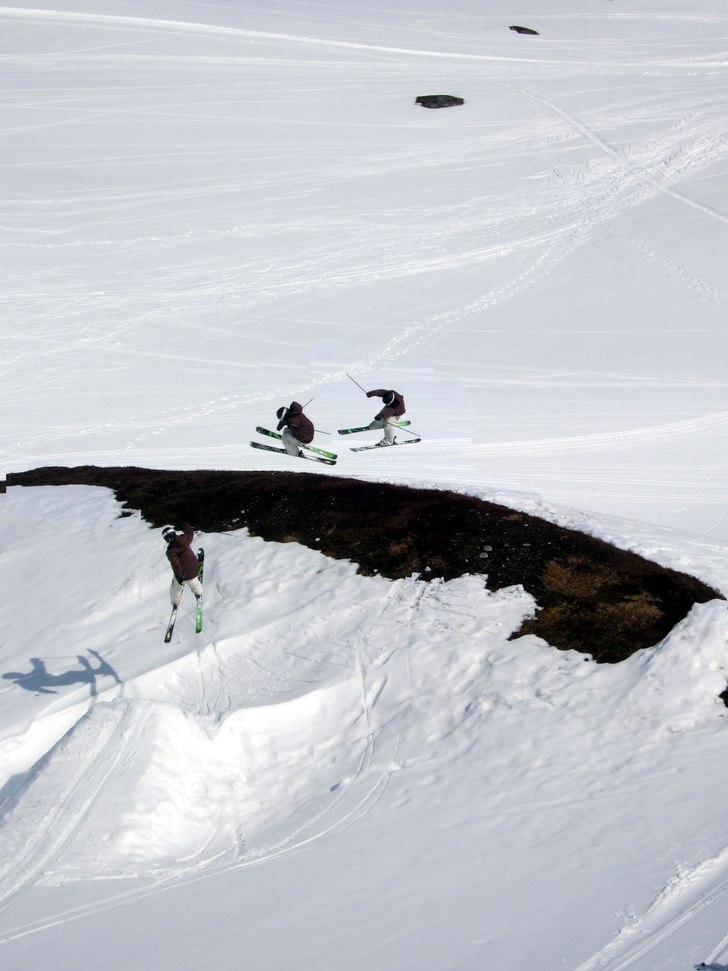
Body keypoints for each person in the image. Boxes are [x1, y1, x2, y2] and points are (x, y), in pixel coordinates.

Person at [163, 523, 203, 607]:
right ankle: (198, 592)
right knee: (193, 581)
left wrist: (179, 576)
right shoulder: (184, 539)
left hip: (185, 574)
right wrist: (185, 525)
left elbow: (176, 565)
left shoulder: (171, 551)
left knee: (176, 586)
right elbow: (189, 533)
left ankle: (175, 602)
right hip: (195, 567)